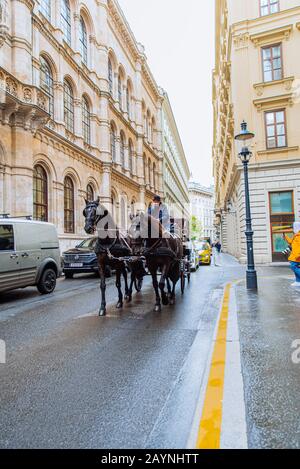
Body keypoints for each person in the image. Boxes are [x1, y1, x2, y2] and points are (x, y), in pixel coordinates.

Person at [284, 222, 300, 287]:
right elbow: (291, 242)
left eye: (293, 228)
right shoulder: (296, 235)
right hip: (294, 255)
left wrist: (298, 254)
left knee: (293, 266)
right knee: (295, 267)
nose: (293, 229)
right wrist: (286, 237)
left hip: (297, 256)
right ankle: (298, 281)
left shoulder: (299, 236)